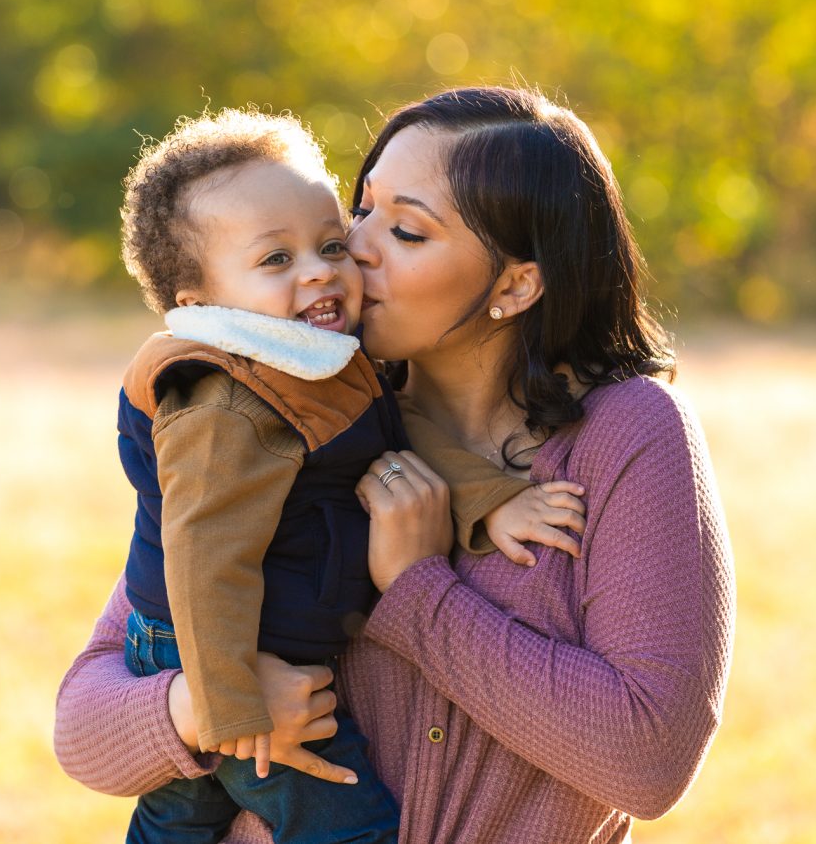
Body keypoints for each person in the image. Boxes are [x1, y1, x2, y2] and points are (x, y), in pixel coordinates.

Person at [56, 86, 735, 844]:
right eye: (363, 209)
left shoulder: (626, 434)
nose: (356, 248)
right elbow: (84, 720)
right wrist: (203, 709)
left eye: (407, 231)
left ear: (514, 284)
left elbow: (646, 762)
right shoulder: (293, 407)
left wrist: (417, 592)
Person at [108, 107, 589, 844]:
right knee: (349, 826)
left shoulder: (312, 361)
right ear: (198, 304)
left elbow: (398, 441)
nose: (323, 270)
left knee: (180, 820)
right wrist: (231, 713)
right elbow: (203, 555)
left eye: (331, 242)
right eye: (276, 261)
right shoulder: (224, 401)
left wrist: (494, 504)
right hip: (221, 659)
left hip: (253, 653)